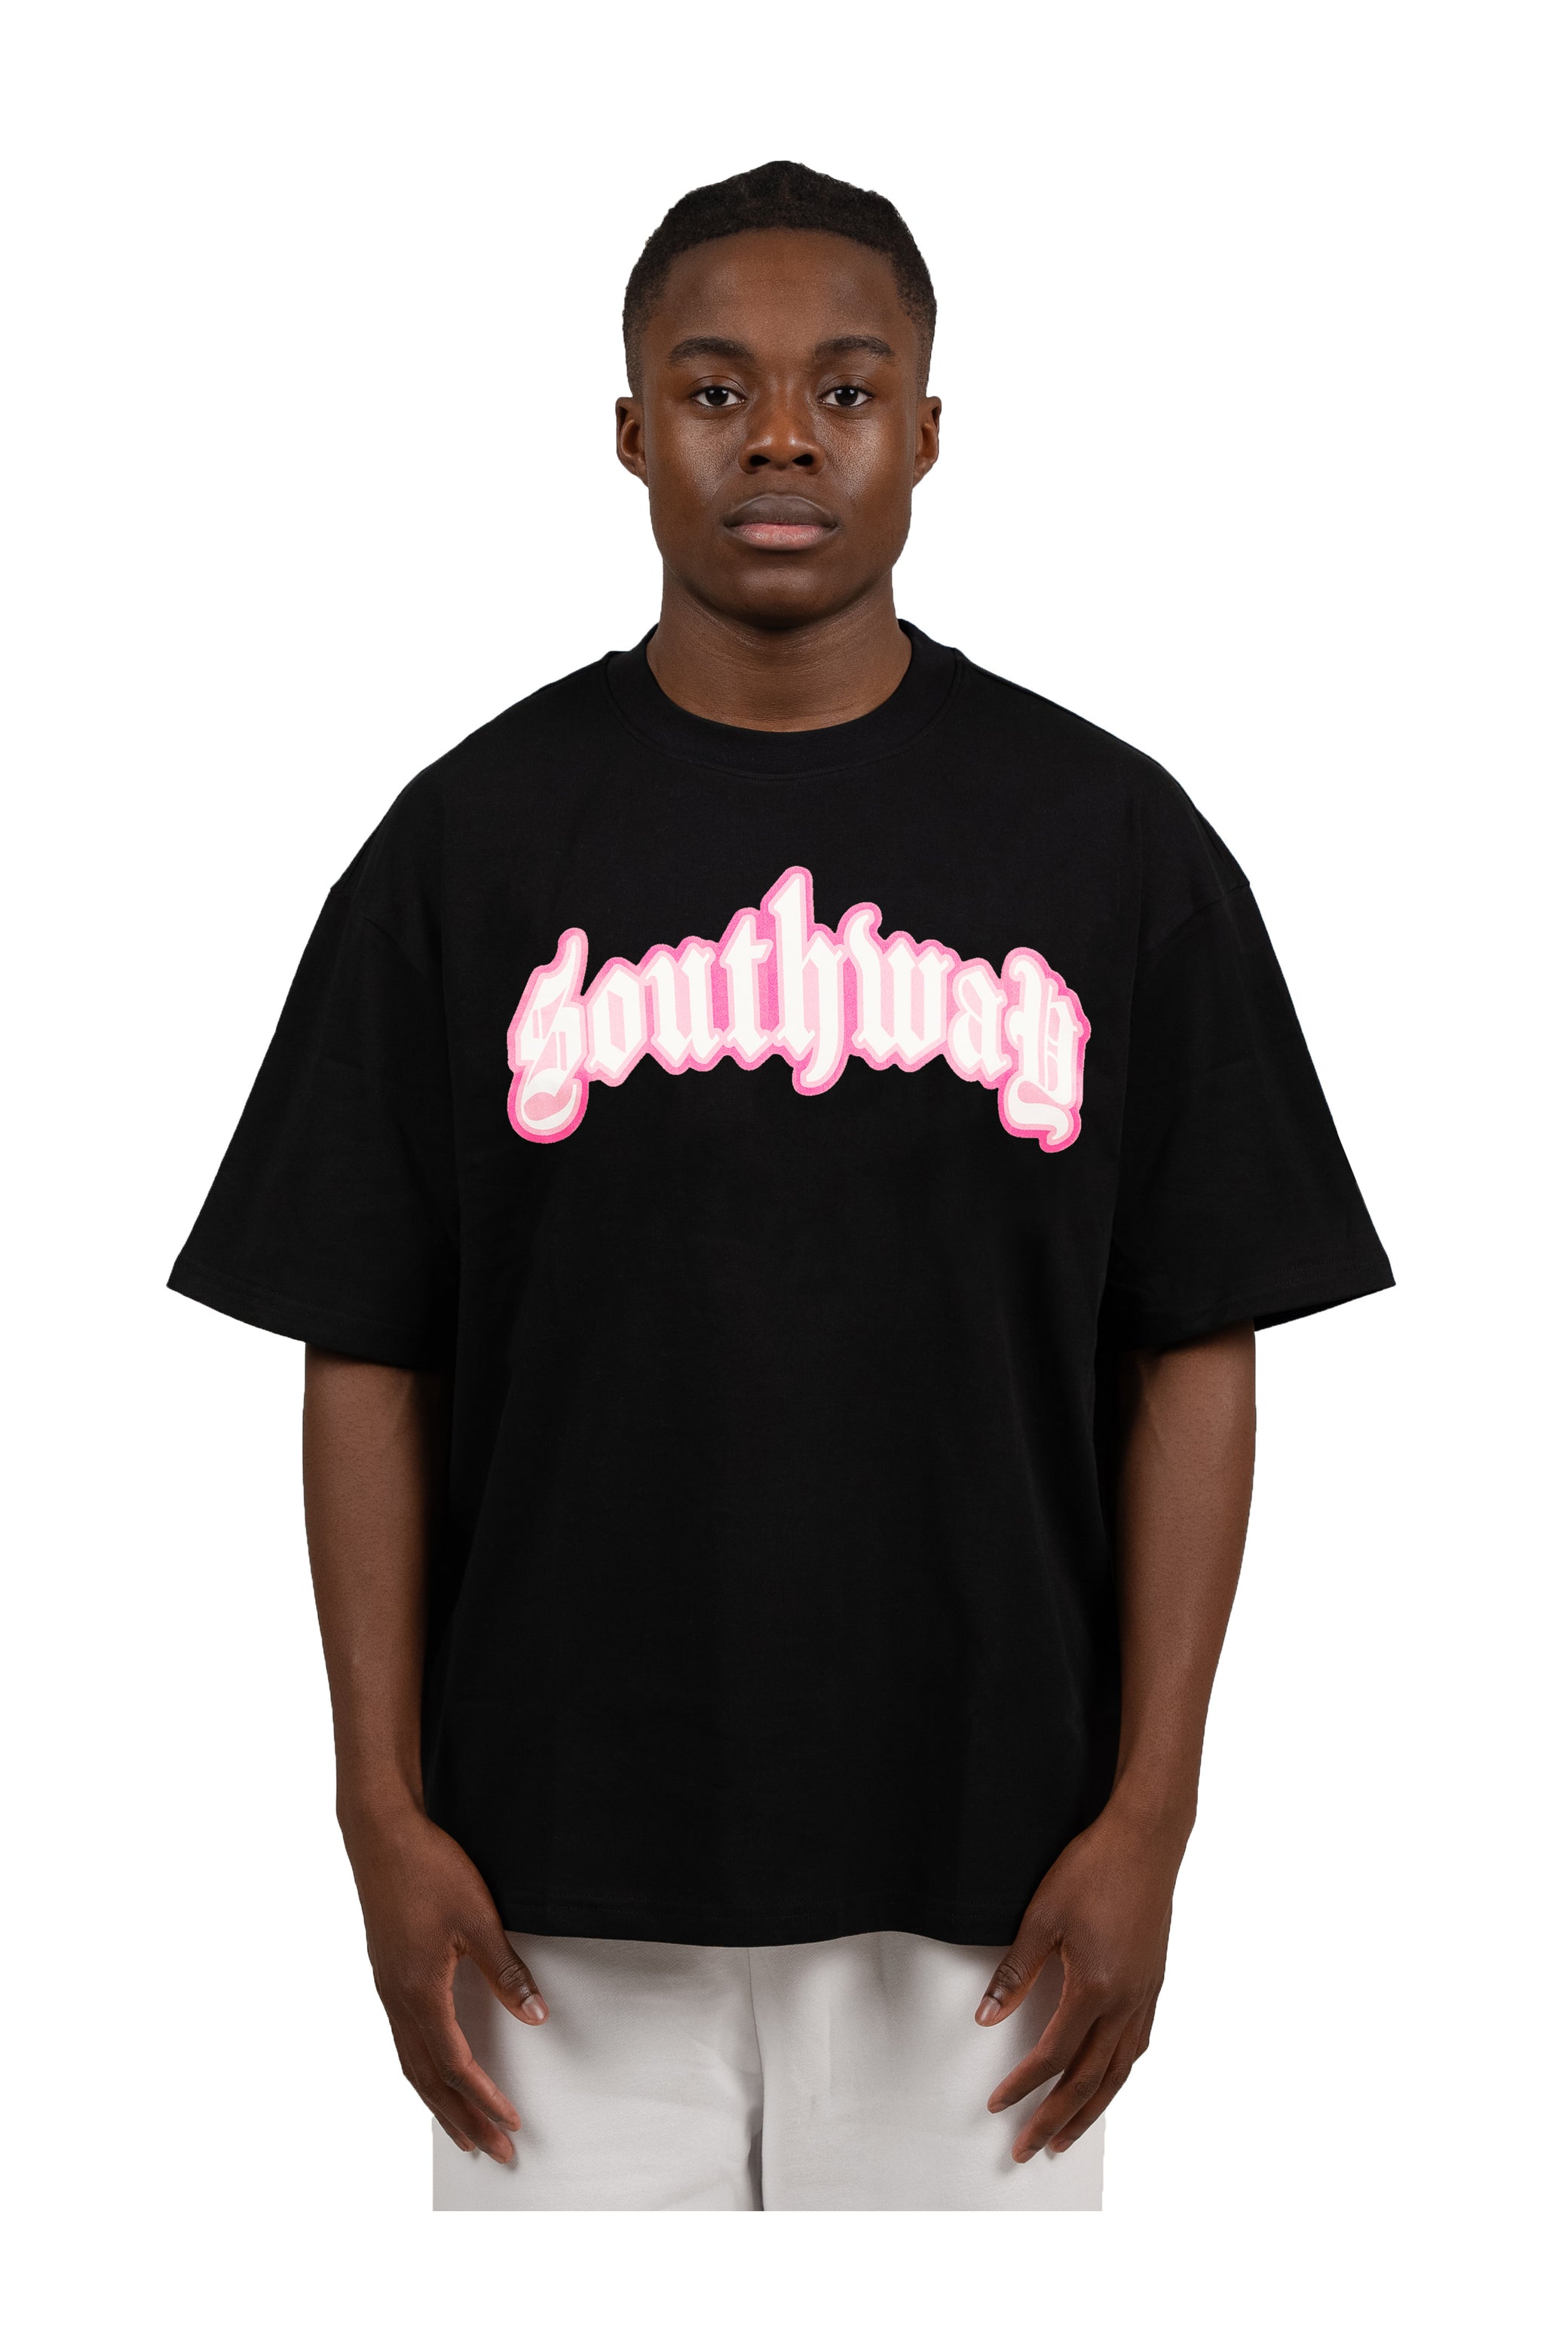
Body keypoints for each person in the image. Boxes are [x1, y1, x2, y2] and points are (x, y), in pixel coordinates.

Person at [169, 160, 1392, 2212]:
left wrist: (1153, 1814)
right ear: (630, 427)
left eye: (846, 386)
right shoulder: (471, 843)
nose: (783, 440)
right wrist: (377, 1808)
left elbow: (1197, 1342)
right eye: (717, 387)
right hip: (547, 1892)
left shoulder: (1109, 841)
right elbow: (366, 1343)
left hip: (995, 1886)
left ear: (929, 427)